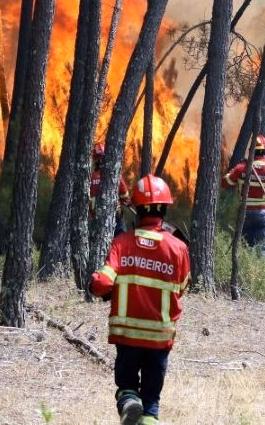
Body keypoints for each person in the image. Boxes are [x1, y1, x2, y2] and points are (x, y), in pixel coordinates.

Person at [90, 175, 191, 425]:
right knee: (152, 401)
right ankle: (148, 416)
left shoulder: (122, 243)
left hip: (127, 337)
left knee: (127, 388)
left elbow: (103, 284)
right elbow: (181, 288)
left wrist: (93, 282)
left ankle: (129, 402)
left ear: (137, 208)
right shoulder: (178, 248)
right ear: (164, 209)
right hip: (159, 338)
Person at [221, 134, 265, 256]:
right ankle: (261, 265)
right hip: (264, 213)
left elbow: (225, 183)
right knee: (264, 250)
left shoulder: (241, 168)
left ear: (252, 152)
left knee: (244, 247)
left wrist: (232, 171)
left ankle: (244, 264)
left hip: (245, 212)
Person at [91, 142, 131, 236]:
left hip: (96, 218)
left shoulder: (90, 178)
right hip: (115, 216)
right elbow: (125, 195)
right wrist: (125, 201)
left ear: (95, 160)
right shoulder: (114, 174)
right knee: (121, 239)